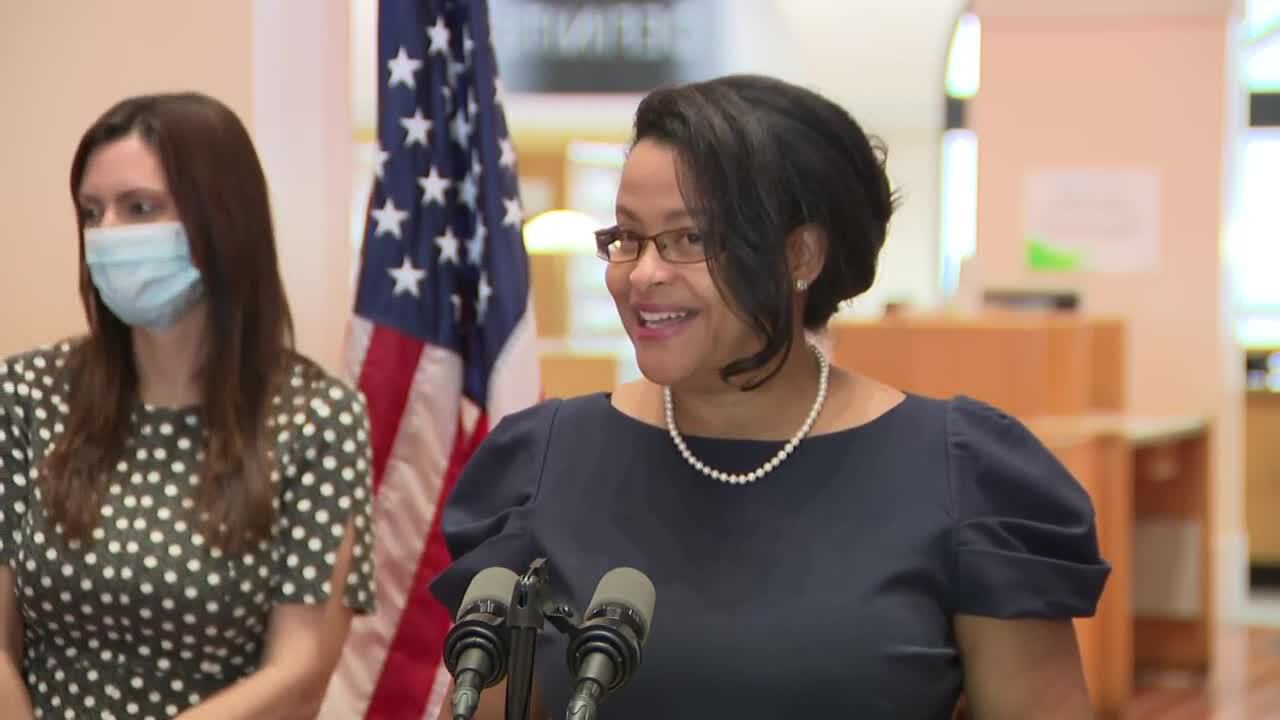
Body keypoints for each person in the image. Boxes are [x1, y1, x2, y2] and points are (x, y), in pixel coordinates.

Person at [429, 74, 1110, 719]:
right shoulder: (544, 462)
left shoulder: (962, 472)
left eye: (689, 238)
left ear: (801, 258)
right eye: (627, 237)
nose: (643, 274)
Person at [0, 92, 376, 719]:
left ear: (220, 220)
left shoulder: (317, 417)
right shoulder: (24, 395)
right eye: (92, 212)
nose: (106, 236)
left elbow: (300, 669)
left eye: (140, 208)